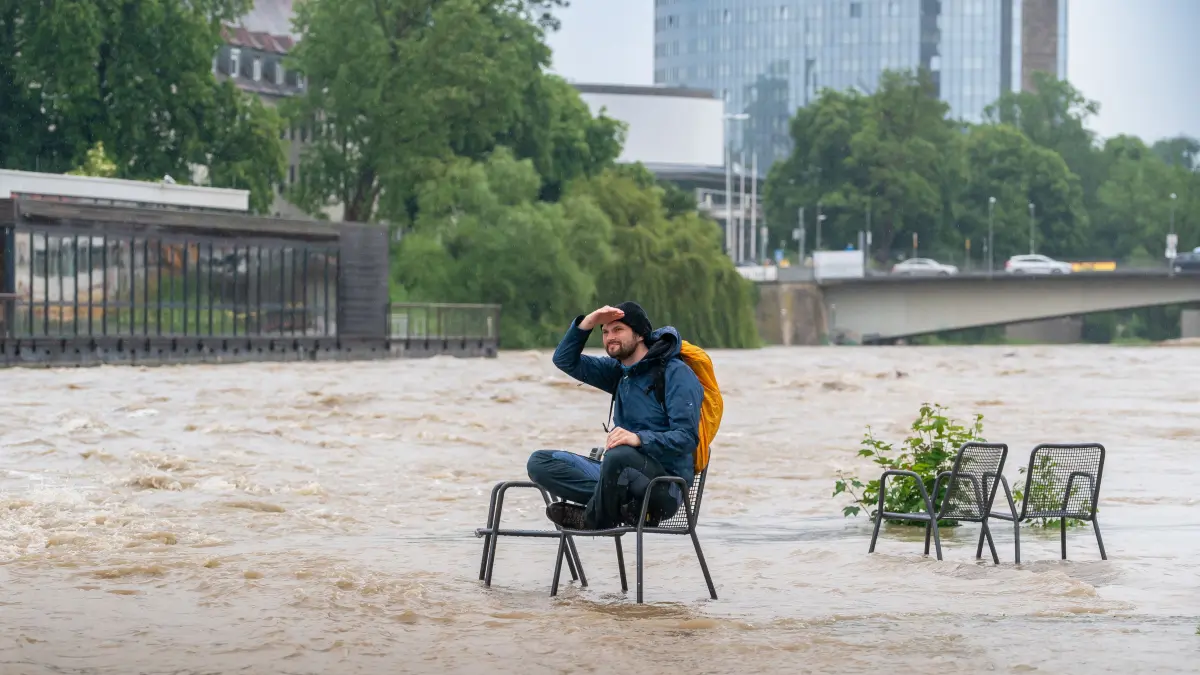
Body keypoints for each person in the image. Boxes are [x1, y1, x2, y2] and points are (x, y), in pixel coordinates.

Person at [526, 302, 704, 530]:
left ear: (640, 334)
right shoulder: (618, 372)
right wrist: (588, 322)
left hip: (663, 488)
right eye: (605, 332)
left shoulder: (676, 373)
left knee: (619, 454)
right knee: (540, 462)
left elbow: (687, 438)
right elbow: (565, 360)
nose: (610, 337)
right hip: (618, 475)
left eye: (618, 330)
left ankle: (592, 519)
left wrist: (638, 439)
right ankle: (619, 508)